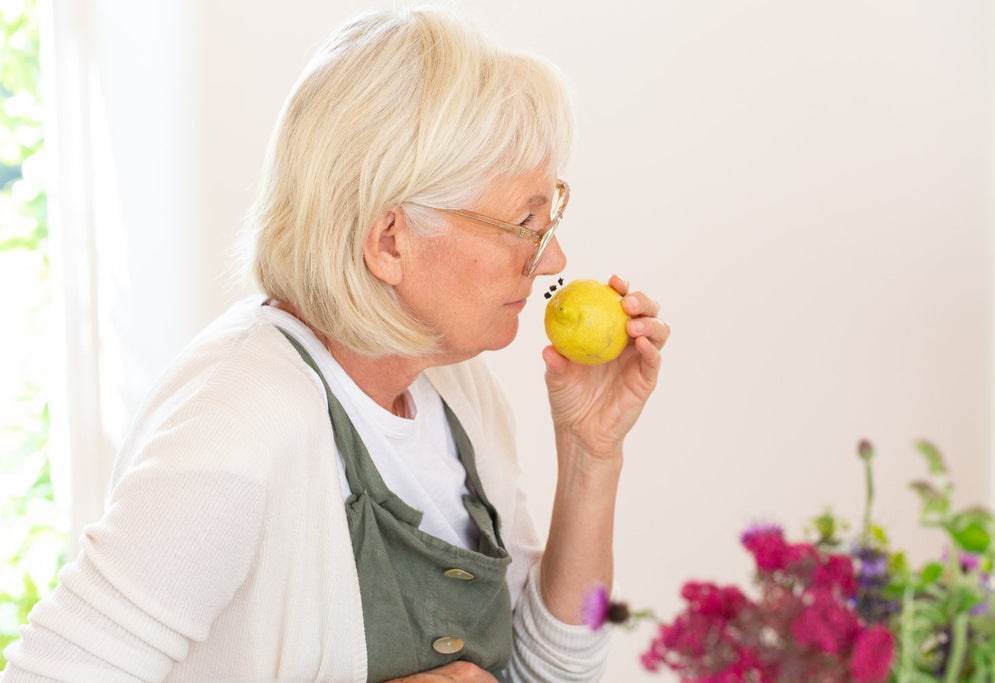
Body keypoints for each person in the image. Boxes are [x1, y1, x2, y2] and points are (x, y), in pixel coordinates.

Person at [1, 7, 669, 682]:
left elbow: (551, 671)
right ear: (390, 241)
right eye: (526, 223)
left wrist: (591, 454)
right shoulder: (238, 425)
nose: (552, 256)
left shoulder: (459, 390)